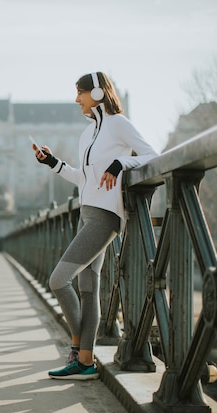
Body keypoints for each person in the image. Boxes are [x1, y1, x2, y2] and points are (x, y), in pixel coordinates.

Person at [32, 72, 158, 380]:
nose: (76, 99)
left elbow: (152, 156)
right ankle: (85, 362)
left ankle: (77, 347)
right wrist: (52, 163)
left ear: (99, 92)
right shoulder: (87, 134)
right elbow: (83, 178)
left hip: (105, 216)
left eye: (80, 93)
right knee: (87, 288)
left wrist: (120, 164)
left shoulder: (119, 125)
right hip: (85, 212)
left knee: (58, 280)